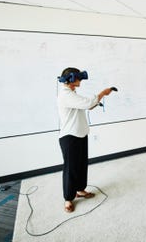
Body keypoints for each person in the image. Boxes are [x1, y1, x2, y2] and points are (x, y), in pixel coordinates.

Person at [57, 67, 114, 213]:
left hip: (80, 134)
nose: (80, 80)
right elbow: (88, 103)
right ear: (71, 79)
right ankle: (68, 199)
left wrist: (96, 102)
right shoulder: (65, 95)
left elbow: (86, 105)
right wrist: (102, 93)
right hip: (69, 137)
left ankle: (80, 190)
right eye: (78, 78)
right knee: (71, 169)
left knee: (81, 165)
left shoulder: (72, 94)